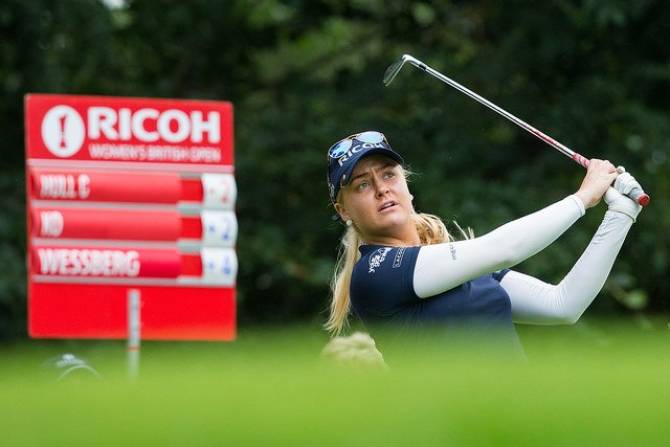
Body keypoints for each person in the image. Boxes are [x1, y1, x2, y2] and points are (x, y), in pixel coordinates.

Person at [324, 130, 643, 357]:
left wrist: (620, 214)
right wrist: (583, 198)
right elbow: (502, 249)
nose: (381, 189)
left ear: (407, 185)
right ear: (343, 211)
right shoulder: (373, 273)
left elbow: (563, 305)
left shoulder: (462, 266)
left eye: (389, 175)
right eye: (362, 185)